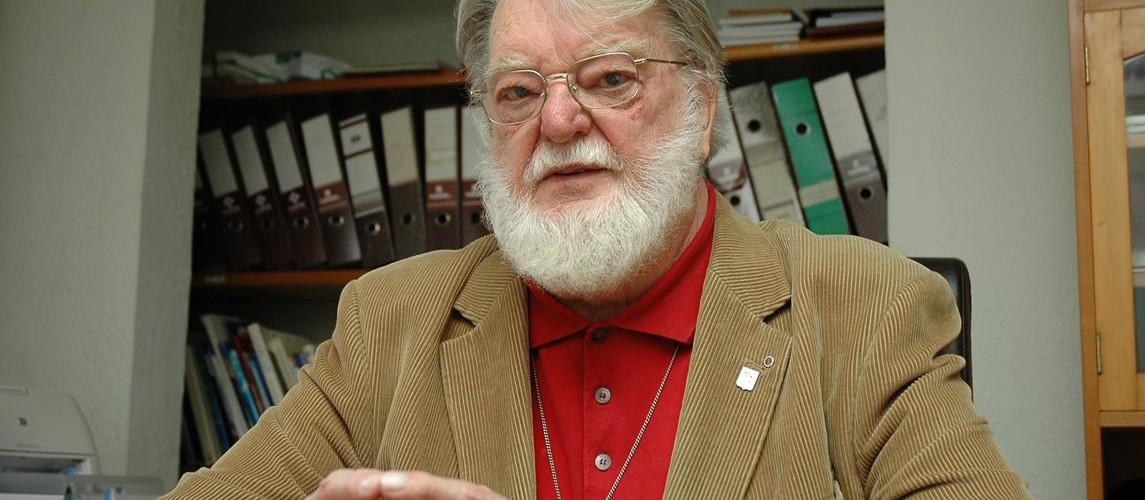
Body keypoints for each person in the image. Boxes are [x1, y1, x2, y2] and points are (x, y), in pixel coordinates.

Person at [166, 0, 1030, 498]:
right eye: (517, 92)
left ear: (702, 109)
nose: (557, 121)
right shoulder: (392, 321)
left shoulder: (865, 308)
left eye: (611, 78)